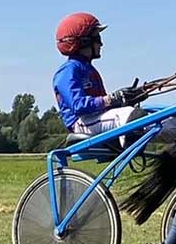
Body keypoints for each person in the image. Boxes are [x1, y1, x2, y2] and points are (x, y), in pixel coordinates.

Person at [52, 12, 148, 146]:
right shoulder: (67, 71)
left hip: (98, 119)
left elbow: (103, 105)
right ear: (84, 41)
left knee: (162, 117)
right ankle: (127, 147)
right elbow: (78, 106)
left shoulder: (89, 69)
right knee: (127, 115)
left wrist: (127, 99)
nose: (101, 43)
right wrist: (112, 98)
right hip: (82, 123)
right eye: (97, 37)